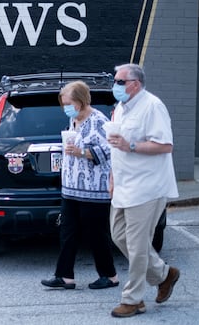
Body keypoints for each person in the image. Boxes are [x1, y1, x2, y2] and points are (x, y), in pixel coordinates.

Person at [107, 63, 180, 318]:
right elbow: (117, 145)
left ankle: (133, 299)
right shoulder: (120, 108)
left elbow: (165, 145)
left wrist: (132, 146)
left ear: (134, 84)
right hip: (124, 185)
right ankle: (163, 274)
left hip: (147, 186)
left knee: (138, 246)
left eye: (119, 81)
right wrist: (112, 176)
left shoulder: (153, 106)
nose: (115, 86)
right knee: (118, 235)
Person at [41, 81, 118, 290]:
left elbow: (108, 152)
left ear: (82, 100)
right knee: (67, 232)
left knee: (96, 233)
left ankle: (109, 275)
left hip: (93, 190)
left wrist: (82, 152)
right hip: (70, 188)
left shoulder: (98, 121)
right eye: (63, 103)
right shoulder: (73, 121)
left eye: (68, 102)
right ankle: (64, 276)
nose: (65, 107)